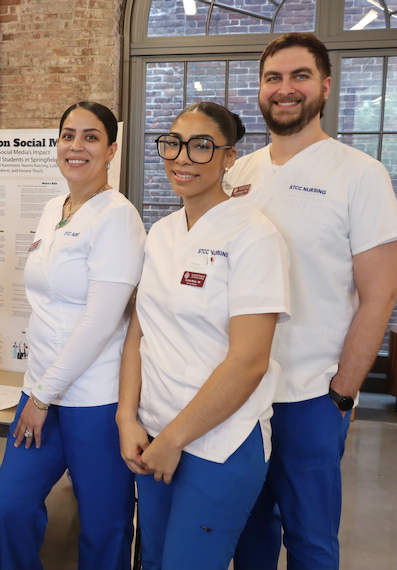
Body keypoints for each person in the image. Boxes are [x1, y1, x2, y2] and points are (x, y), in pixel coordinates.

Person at [229, 33, 397, 570]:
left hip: (310, 395)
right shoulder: (239, 174)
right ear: (260, 90)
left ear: (325, 86)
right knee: (247, 533)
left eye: (299, 76)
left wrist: (342, 394)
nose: (285, 89)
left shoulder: (359, 174)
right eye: (273, 78)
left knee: (311, 542)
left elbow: (380, 293)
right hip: (240, 393)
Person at [117, 102, 290, 570]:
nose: (182, 157)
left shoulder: (254, 237)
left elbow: (249, 362)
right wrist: (126, 417)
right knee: (152, 560)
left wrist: (174, 439)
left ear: (229, 157)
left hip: (220, 442)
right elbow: (139, 331)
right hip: (152, 434)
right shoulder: (162, 232)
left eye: (201, 146)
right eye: (172, 143)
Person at [0, 101, 146, 570]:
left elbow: (100, 323)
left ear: (112, 149)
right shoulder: (51, 208)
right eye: (68, 135)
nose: (76, 146)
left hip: (94, 400)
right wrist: (38, 394)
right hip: (39, 390)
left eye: (91, 137)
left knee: (104, 526)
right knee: (8, 507)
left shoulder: (118, 218)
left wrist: (42, 398)